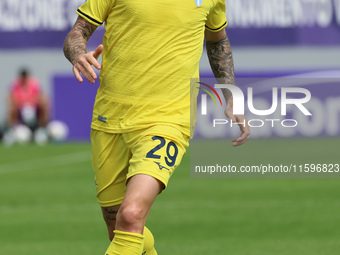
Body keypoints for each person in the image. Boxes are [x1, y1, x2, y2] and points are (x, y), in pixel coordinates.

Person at [63, 1, 250, 254]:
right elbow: (77, 32)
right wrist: (78, 54)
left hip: (169, 119)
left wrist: (231, 95)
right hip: (110, 119)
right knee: (118, 228)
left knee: (130, 215)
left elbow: (217, 40)